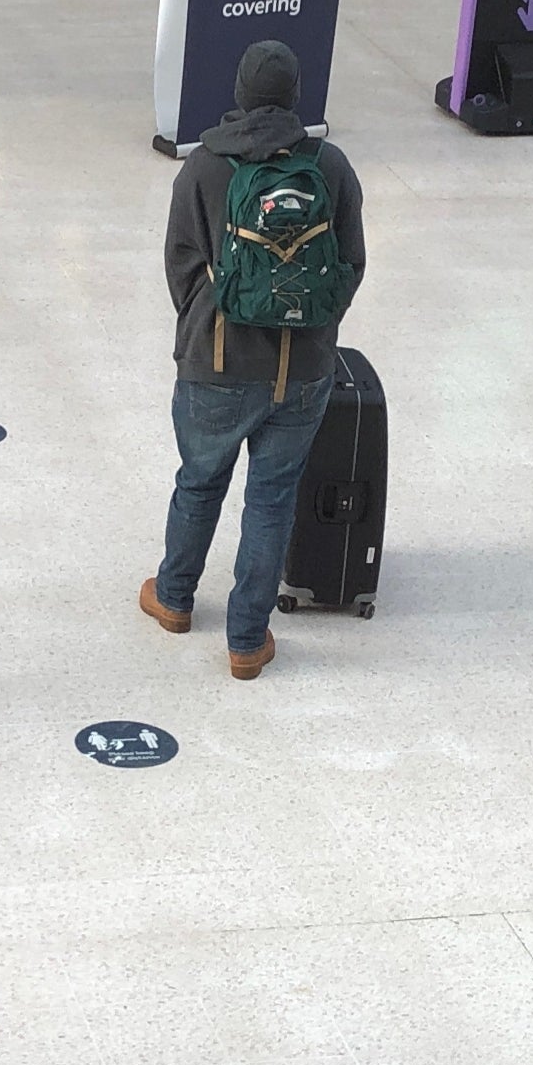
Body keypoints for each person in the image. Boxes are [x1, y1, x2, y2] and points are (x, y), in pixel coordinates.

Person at [143, 38, 367, 680]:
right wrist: (318, 328)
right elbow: (351, 262)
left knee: (199, 480)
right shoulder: (331, 166)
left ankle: (176, 598)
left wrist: (204, 322)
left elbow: (181, 264)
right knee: (271, 500)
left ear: (239, 93)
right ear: (295, 95)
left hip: (215, 364)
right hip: (302, 372)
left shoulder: (203, 170)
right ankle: (246, 639)